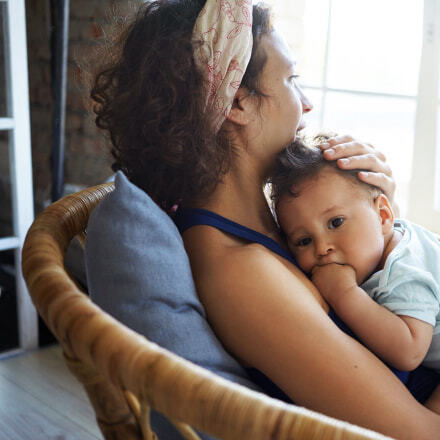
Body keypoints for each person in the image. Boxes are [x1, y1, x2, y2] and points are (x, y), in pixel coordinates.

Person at [89, 0, 440, 437]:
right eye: (292, 80)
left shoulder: (268, 222)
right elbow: (420, 433)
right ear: (237, 102)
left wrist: (378, 215)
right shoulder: (242, 273)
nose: (307, 105)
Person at [270, 138, 440, 413]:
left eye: (336, 222)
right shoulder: (385, 239)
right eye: (303, 240)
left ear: (384, 215)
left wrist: (344, 294)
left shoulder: (404, 270)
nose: (322, 247)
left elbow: (409, 351)